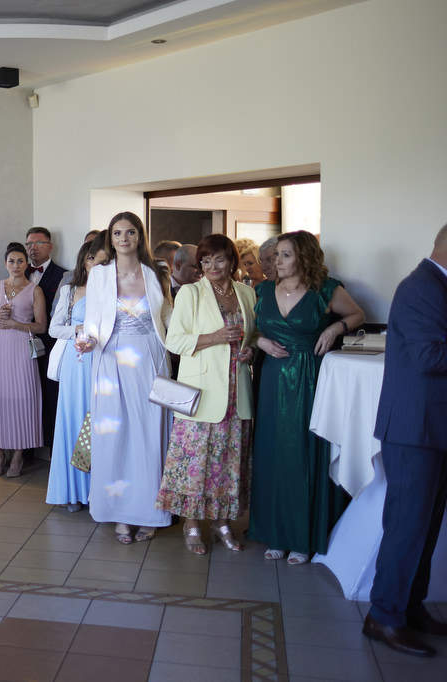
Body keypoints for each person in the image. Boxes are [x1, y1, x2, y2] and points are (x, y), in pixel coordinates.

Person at [249, 230, 364, 564]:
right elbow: (250, 329)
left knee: (302, 453)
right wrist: (259, 341)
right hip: (272, 378)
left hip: (311, 377)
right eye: (275, 255)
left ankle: (302, 536)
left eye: (284, 255)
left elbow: (356, 315)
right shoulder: (262, 290)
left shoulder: (326, 289)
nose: (276, 261)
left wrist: (334, 328)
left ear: (304, 256)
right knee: (272, 452)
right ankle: (276, 533)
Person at [363, 223, 447, 657]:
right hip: (415, 429)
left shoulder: (435, 286)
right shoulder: (421, 287)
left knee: (426, 527)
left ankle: (410, 607)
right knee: (407, 527)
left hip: (433, 426)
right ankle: (385, 616)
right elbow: (429, 355)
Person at [157, 234, 257, 554]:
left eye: (220, 259)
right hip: (201, 392)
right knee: (195, 463)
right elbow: (174, 341)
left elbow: (253, 336)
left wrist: (251, 351)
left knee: (229, 462)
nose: (212, 266)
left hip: (237, 390)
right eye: (206, 260)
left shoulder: (246, 293)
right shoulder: (191, 293)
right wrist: (214, 337)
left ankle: (222, 521)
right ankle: (191, 524)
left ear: (232, 261)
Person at [78, 213, 172, 542]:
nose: (123, 238)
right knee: (114, 434)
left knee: (149, 434)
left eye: (130, 232)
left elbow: (168, 316)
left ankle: (149, 512)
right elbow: (93, 320)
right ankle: (119, 512)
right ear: (111, 238)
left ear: (140, 236)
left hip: (150, 357)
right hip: (110, 359)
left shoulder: (157, 271)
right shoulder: (100, 274)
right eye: (117, 233)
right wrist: (87, 340)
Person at [0, 242, 46, 477]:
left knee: (22, 398)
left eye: (20, 261)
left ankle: (18, 455)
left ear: (26, 264)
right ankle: (0, 455)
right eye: (11, 261)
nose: (16, 265)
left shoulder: (35, 290)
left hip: (21, 349)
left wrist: (15, 324)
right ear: (5, 263)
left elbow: (41, 326)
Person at [46, 241, 102, 512]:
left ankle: (96, 489)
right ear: (84, 260)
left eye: (103, 260)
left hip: (102, 360)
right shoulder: (69, 290)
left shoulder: (113, 291)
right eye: (92, 258)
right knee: (74, 421)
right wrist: (78, 329)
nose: (97, 264)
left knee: (96, 421)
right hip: (76, 361)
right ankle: (74, 490)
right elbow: (53, 329)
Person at [25, 227, 66, 450]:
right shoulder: (19, 272)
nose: (33, 248)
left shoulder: (63, 276)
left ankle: (52, 450)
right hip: (22, 345)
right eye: (29, 244)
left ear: (50, 246)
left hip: (50, 346)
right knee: (25, 396)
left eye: (38, 243)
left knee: (51, 396)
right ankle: (26, 449)